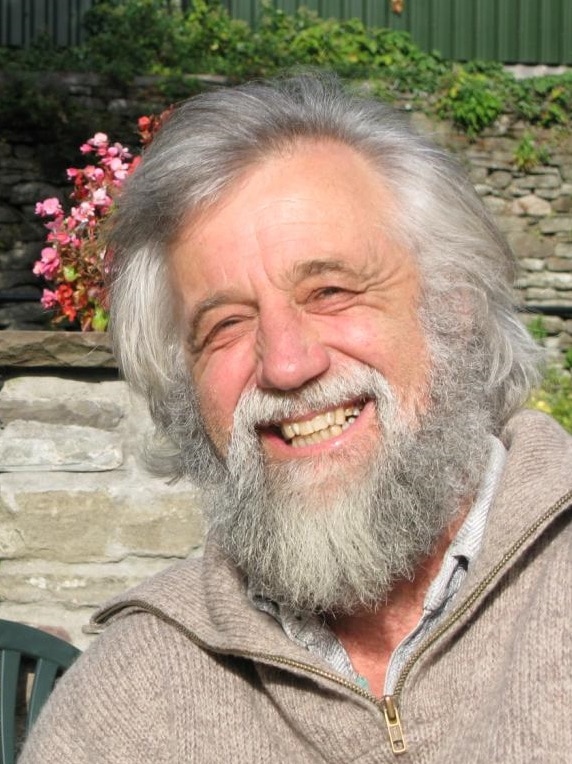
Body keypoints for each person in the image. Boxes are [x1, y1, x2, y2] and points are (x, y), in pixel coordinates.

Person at [21, 74, 572, 763]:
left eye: (331, 291)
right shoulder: (127, 704)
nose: (286, 363)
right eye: (225, 325)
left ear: (453, 306)